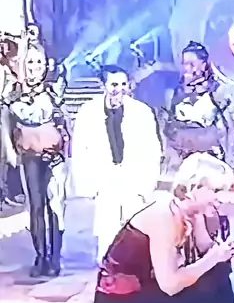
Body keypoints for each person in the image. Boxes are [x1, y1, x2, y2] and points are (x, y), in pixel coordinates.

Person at [94, 153, 234, 303]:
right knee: (207, 297)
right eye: (216, 191)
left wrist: (220, 253)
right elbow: (170, 285)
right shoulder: (164, 215)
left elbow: (206, 251)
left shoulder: (190, 210)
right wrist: (214, 257)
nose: (222, 198)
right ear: (193, 187)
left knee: (218, 275)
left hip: (148, 290)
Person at [71, 64, 162, 264]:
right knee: (107, 234)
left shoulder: (142, 112)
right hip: (106, 181)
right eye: (113, 85)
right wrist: (87, 186)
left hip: (134, 179)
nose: (119, 89)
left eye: (123, 84)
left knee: (135, 233)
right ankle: (107, 272)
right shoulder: (88, 112)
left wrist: (147, 185)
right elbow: (79, 149)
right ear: (103, 85)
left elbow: (153, 150)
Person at [8, 42, 69, 277]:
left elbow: (64, 122)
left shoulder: (54, 91)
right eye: (31, 62)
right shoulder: (12, 93)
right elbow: (7, 123)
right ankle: (40, 256)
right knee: (36, 207)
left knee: (55, 205)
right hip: (29, 157)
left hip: (54, 157)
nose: (35, 67)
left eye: (39, 62)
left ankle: (54, 257)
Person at [164, 41, 230, 164]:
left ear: (204, 65)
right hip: (181, 155)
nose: (187, 69)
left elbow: (227, 130)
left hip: (209, 156)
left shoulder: (217, 92)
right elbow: (168, 128)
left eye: (192, 64)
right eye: (184, 64)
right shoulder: (174, 93)